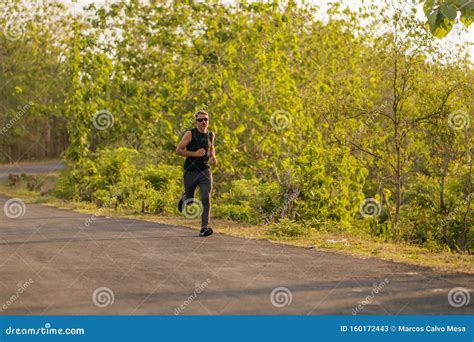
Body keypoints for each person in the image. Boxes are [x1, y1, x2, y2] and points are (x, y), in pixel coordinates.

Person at [175, 110, 217, 237]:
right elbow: (178, 150)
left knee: (205, 197)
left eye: (205, 119)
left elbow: (212, 146)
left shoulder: (210, 134)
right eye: (200, 120)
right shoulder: (190, 134)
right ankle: (184, 198)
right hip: (190, 172)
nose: (203, 122)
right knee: (190, 201)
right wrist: (194, 154)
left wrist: (213, 156)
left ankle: (204, 227)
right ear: (196, 122)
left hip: (205, 171)